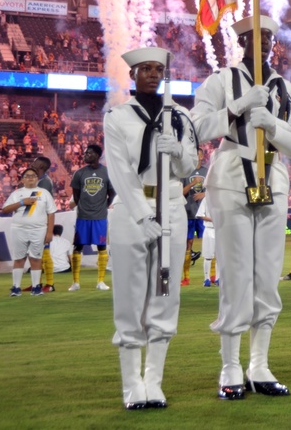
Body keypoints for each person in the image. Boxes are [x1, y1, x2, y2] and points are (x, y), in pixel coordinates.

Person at [191, 15, 291, 399]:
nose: (262, 43)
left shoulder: (284, 87)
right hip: (231, 174)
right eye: (254, 37)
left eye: (268, 37)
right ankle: (230, 366)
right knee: (236, 272)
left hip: (273, 176)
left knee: (267, 275)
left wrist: (272, 125)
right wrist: (239, 106)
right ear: (240, 41)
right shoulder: (220, 81)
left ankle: (259, 364)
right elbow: (198, 128)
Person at [103, 46, 198, 409]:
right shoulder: (118, 117)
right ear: (133, 75)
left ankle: (153, 382)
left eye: (159, 69)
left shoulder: (179, 116)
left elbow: (190, 166)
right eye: (146, 69)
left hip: (172, 205)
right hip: (131, 209)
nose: (153, 74)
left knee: (164, 294)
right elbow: (120, 171)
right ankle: (132, 386)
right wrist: (143, 216)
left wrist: (176, 150)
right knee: (129, 297)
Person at [2, 168, 56, 296]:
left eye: (34, 175)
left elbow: (51, 213)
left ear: (37, 179)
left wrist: (49, 232)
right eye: (27, 176)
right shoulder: (17, 193)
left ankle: (36, 287)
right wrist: (22, 202)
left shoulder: (44, 193)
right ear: (22, 179)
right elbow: (5, 209)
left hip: (39, 230)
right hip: (18, 229)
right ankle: (16, 287)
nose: (31, 177)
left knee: (36, 258)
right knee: (19, 258)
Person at [68, 143, 114, 292]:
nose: (85, 155)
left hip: (100, 216)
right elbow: (76, 195)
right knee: (78, 246)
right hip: (83, 216)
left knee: (101, 246)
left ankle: (100, 281)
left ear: (97, 155)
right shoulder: (79, 173)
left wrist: (104, 205)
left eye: (89, 153)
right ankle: (75, 282)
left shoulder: (107, 172)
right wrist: (84, 206)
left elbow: (111, 193)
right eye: (85, 153)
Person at [181, 148, 208, 287]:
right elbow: (180, 192)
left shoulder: (207, 171)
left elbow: (214, 189)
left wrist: (204, 194)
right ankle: (186, 278)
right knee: (188, 245)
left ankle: (211, 277)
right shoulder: (185, 172)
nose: (197, 156)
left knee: (210, 244)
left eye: (199, 153)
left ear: (202, 155)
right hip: (189, 213)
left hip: (204, 215)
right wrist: (191, 183)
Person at [31, 155, 57, 292]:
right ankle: (38, 283)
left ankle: (50, 284)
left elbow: (45, 204)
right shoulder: (38, 180)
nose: (31, 163)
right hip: (35, 220)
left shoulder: (45, 182)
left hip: (42, 221)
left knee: (44, 253)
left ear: (40, 166)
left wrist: (49, 229)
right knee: (37, 253)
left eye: (34, 162)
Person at [196, 194, 219, 286]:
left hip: (220, 230)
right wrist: (213, 219)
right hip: (209, 229)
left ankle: (218, 278)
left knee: (220, 257)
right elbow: (200, 215)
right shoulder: (207, 199)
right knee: (208, 256)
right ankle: (206, 279)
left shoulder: (225, 198)